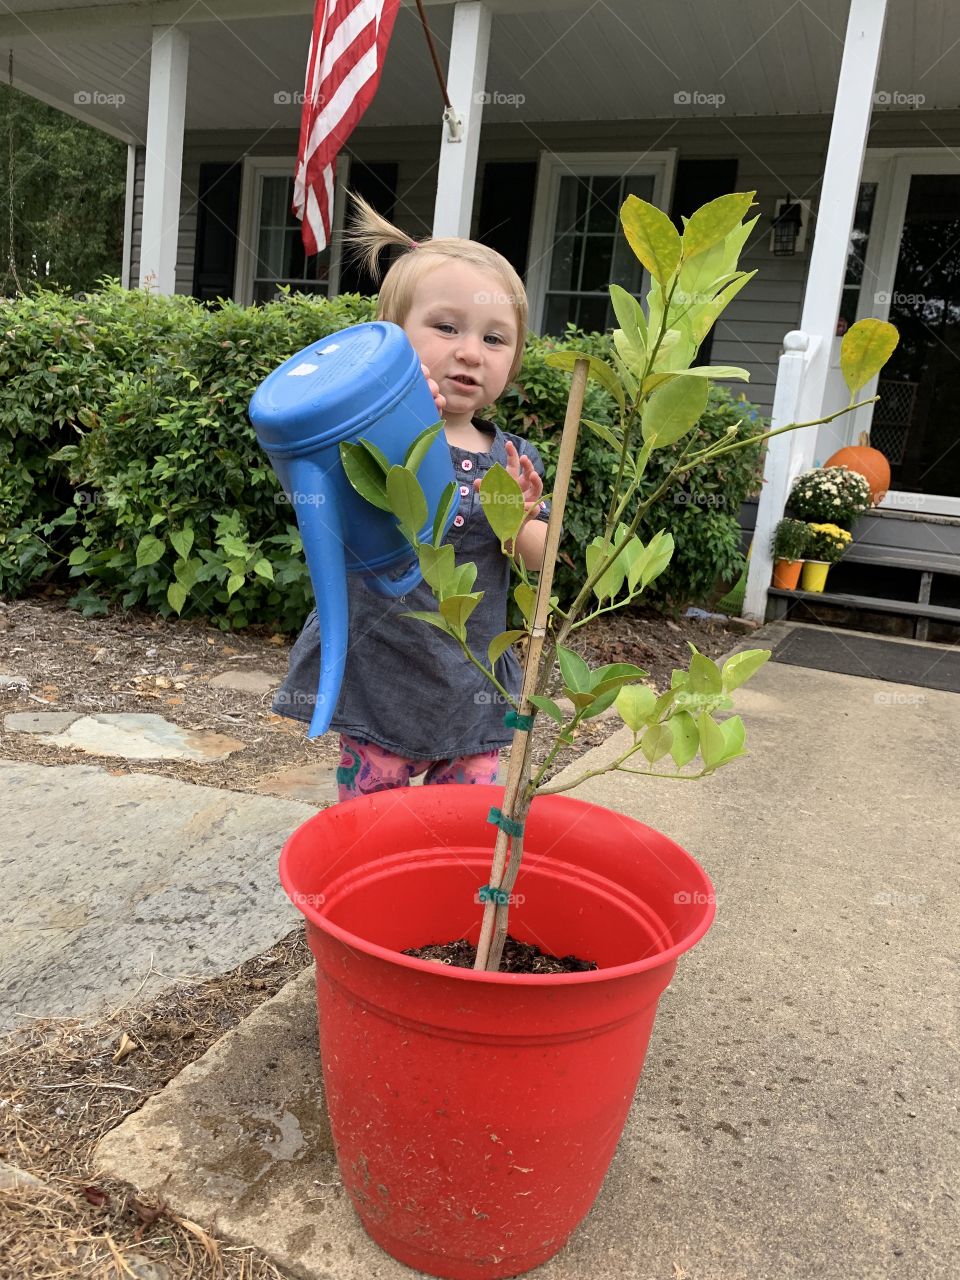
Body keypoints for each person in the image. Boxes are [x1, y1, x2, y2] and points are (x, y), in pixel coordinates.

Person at [272, 193, 551, 801]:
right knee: (373, 829)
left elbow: (538, 559)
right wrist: (393, 414)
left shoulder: (512, 458)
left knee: (459, 832)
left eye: (495, 339)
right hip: (382, 673)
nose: (470, 351)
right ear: (389, 337)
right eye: (446, 328)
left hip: (469, 683)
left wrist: (521, 517)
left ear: (514, 362)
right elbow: (321, 507)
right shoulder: (365, 435)